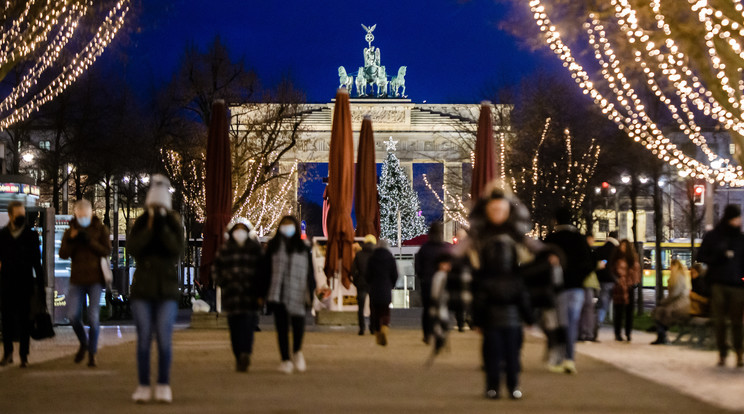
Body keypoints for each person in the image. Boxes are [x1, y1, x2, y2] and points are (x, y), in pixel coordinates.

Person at [466, 188, 533, 400]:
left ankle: (492, 388)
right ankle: (513, 387)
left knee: (492, 355)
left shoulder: (485, 279)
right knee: (512, 355)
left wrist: (476, 321)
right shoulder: (516, 279)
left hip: (492, 321)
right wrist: (529, 318)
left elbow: (479, 300)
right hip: (512, 320)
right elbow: (523, 298)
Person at [128, 175, 184, 403]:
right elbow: (133, 248)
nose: (158, 209)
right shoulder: (141, 223)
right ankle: (143, 384)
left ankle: (163, 383)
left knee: (164, 338)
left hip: (167, 290)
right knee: (143, 339)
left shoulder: (174, 223)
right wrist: (150, 227)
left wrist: (163, 227)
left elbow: (176, 250)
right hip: (142, 289)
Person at [59, 199, 111, 367]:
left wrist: (90, 241)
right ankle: (84, 342)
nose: (82, 218)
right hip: (77, 279)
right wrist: (73, 240)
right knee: (73, 315)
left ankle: (92, 353)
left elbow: (107, 250)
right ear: (76, 214)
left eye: (85, 215)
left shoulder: (100, 229)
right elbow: (63, 254)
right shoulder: (71, 230)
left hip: (96, 279)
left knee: (93, 317)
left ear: (90, 214)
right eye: (80, 215)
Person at [544, 207, 595, 374]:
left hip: (558, 288)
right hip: (576, 288)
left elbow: (542, 263)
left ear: (556, 220)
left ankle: (558, 358)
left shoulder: (551, 239)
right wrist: (579, 278)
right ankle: (570, 358)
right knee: (572, 322)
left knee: (559, 323)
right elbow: (590, 263)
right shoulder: (579, 239)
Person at [212, 220, 264, 372]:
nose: (239, 232)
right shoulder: (225, 249)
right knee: (234, 329)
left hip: (250, 296)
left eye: (242, 229)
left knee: (248, 327)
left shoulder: (255, 249)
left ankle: (245, 353)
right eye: (237, 229)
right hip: (232, 296)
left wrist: (260, 292)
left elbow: (263, 271)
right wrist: (224, 282)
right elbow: (216, 269)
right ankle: (238, 354)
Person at [265, 215, 315, 374]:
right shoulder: (272, 246)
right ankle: (285, 359)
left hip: (298, 290)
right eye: (284, 225)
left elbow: (310, 273)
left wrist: (311, 293)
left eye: (290, 224)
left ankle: (297, 351)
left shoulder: (304, 247)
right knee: (281, 327)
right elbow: (265, 271)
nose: (287, 228)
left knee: (298, 325)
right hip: (278, 292)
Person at [697, 204, 744, 367]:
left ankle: (739, 352)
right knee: (720, 321)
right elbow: (701, 256)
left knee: (737, 321)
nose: (740, 221)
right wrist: (718, 255)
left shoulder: (740, 239)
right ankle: (723, 352)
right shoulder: (714, 236)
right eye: (737, 217)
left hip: (737, 284)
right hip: (718, 282)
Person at [0, 201, 45, 368]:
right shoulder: (3, 235)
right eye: (18, 215)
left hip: (25, 283)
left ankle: (23, 355)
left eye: (23, 215)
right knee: (7, 320)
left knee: (25, 320)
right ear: (11, 216)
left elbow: (37, 264)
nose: (21, 218)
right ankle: (8, 353)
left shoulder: (30, 235)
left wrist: (40, 287)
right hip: (7, 283)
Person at [414, 221, 451, 344]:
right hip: (442, 283)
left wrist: (422, 276)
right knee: (441, 308)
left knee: (427, 309)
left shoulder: (424, 248)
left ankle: (427, 334)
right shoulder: (446, 248)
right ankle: (440, 331)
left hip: (427, 283)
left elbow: (417, 266)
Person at [367, 239, 399, 346]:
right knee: (385, 311)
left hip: (374, 289)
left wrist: (370, 284)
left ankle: (378, 332)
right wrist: (391, 285)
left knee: (375, 312)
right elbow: (395, 275)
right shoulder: (390, 259)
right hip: (386, 288)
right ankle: (385, 327)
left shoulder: (372, 258)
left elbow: (368, 274)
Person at [650, 259, 690, 344]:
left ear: (675, 266)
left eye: (671, 265)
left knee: (664, 311)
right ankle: (661, 334)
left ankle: (662, 332)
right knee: (659, 311)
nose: (669, 267)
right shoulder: (674, 277)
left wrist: (664, 302)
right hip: (675, 302)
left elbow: (674, 294)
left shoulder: (679, 277)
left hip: (680, 304)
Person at [611, 239, 641, 342]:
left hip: (630, 287)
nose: (622, 248)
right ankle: (617, 333)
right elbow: (612, 271)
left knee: (629, 312)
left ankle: (628, 333)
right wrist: (618, 280)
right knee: (618, 311)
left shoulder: (632, 259)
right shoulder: (616, 259)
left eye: (624, 246)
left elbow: (636, 272)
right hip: (619, 288)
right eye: (621, 246)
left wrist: (633, 282)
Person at [350, 234, 376, 336]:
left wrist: (356, 281)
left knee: (361, 308)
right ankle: (372, 328)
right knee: (373, 307)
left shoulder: (359, 254)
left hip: (361, 283)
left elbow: (353, 270)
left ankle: (361, 328)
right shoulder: (375, 254)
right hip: (373, 283)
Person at [594, 231, 619, 327]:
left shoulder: (601, 249)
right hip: (616, 280)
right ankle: (616, 322)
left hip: (603, 280)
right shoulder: (617, 249)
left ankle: (599, 321)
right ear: (616, 238)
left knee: (603, 302)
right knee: (618, 303)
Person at [578, 233, 599, 342]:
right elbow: (591, 266)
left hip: (580, 284)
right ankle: (588, 333)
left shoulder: (578, 252)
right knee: (588, 309)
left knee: (582, 309)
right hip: (587, 283)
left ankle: (582, 333)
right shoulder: (588, 252)